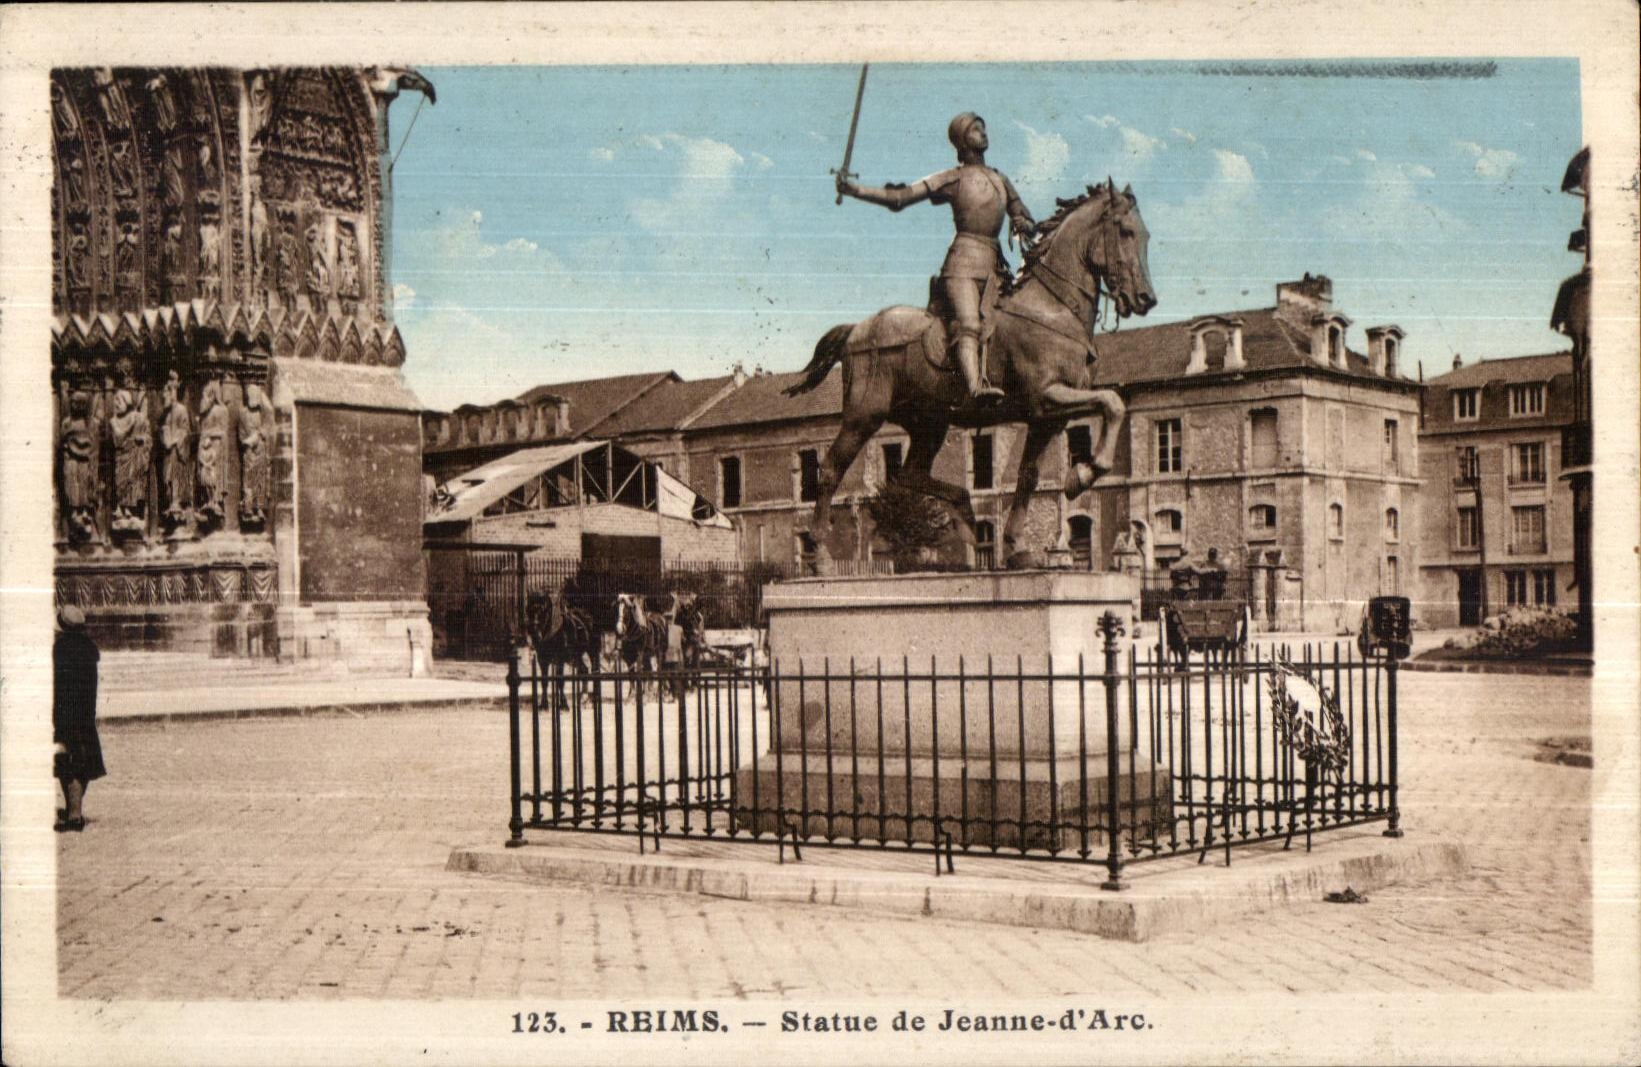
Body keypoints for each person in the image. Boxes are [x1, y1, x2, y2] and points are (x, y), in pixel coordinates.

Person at [836, 112, 1038, 403]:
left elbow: (1022, 214)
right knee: (968, 323)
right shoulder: (952, 178)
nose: (983, 132)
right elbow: (900, 198)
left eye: (983, 127)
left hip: (996, 267)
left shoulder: (1000, 179)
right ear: (961, 140)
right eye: (975, 129)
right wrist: (856, 190)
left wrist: (1023, 223)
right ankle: (974, 388)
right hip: (962, 267)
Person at [54, 605, 105, 832]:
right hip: (85, 714)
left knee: (68, 763)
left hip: (66, 714)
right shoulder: (89, 649)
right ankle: (74, 808)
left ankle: (74, 814)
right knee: (83, 761)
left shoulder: (61, 649)